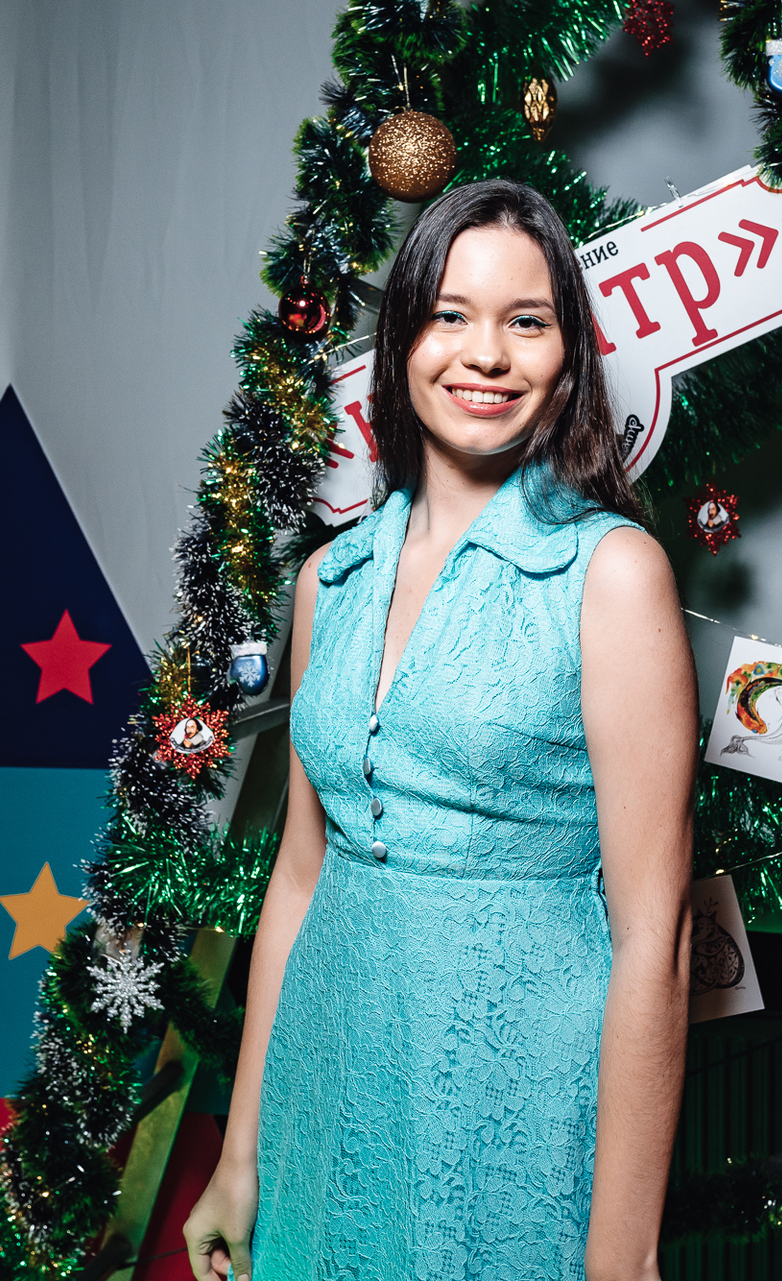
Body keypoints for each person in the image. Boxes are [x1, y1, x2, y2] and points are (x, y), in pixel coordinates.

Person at [183, 180, 699, 1280]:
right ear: (401, 342)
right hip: (324, 1098)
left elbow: (656, 934)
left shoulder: (611, 575)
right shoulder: (330, 579)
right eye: (449, 315)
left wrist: (625, 1254)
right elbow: (298, 878)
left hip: (515, 1116)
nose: (487, 355)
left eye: (527, 321)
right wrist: (239, 1157)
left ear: (569, 356)